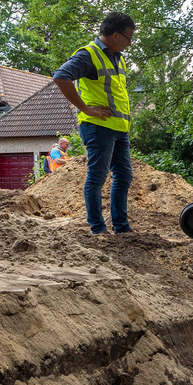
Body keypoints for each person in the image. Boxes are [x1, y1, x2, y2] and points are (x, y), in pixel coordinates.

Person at [53, 13, 136, 234]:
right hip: (98, 127)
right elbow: (61, 77)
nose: (130, 43)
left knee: (124, 175)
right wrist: (86, 109)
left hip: (118, 128)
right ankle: (98, 228)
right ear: (116, 35)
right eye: (129, 38)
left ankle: (121, 226)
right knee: (97, 177)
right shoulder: (89, 55)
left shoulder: (117, 57)